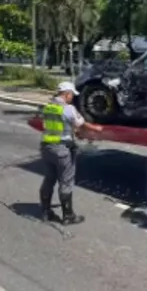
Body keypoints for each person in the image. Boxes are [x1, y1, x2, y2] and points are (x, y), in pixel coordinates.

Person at [40, 81, 104, 225]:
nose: (72, 98)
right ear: (66, 94)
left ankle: (45, 211)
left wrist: (74, 132)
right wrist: (96, 129)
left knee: (49, 179)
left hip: (46, 147)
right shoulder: (68, 109)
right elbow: (81, 124)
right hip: (62, 149)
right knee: (66, 181)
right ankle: (68, 216)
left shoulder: (48, 107)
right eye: (71, 95)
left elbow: (60, 125)